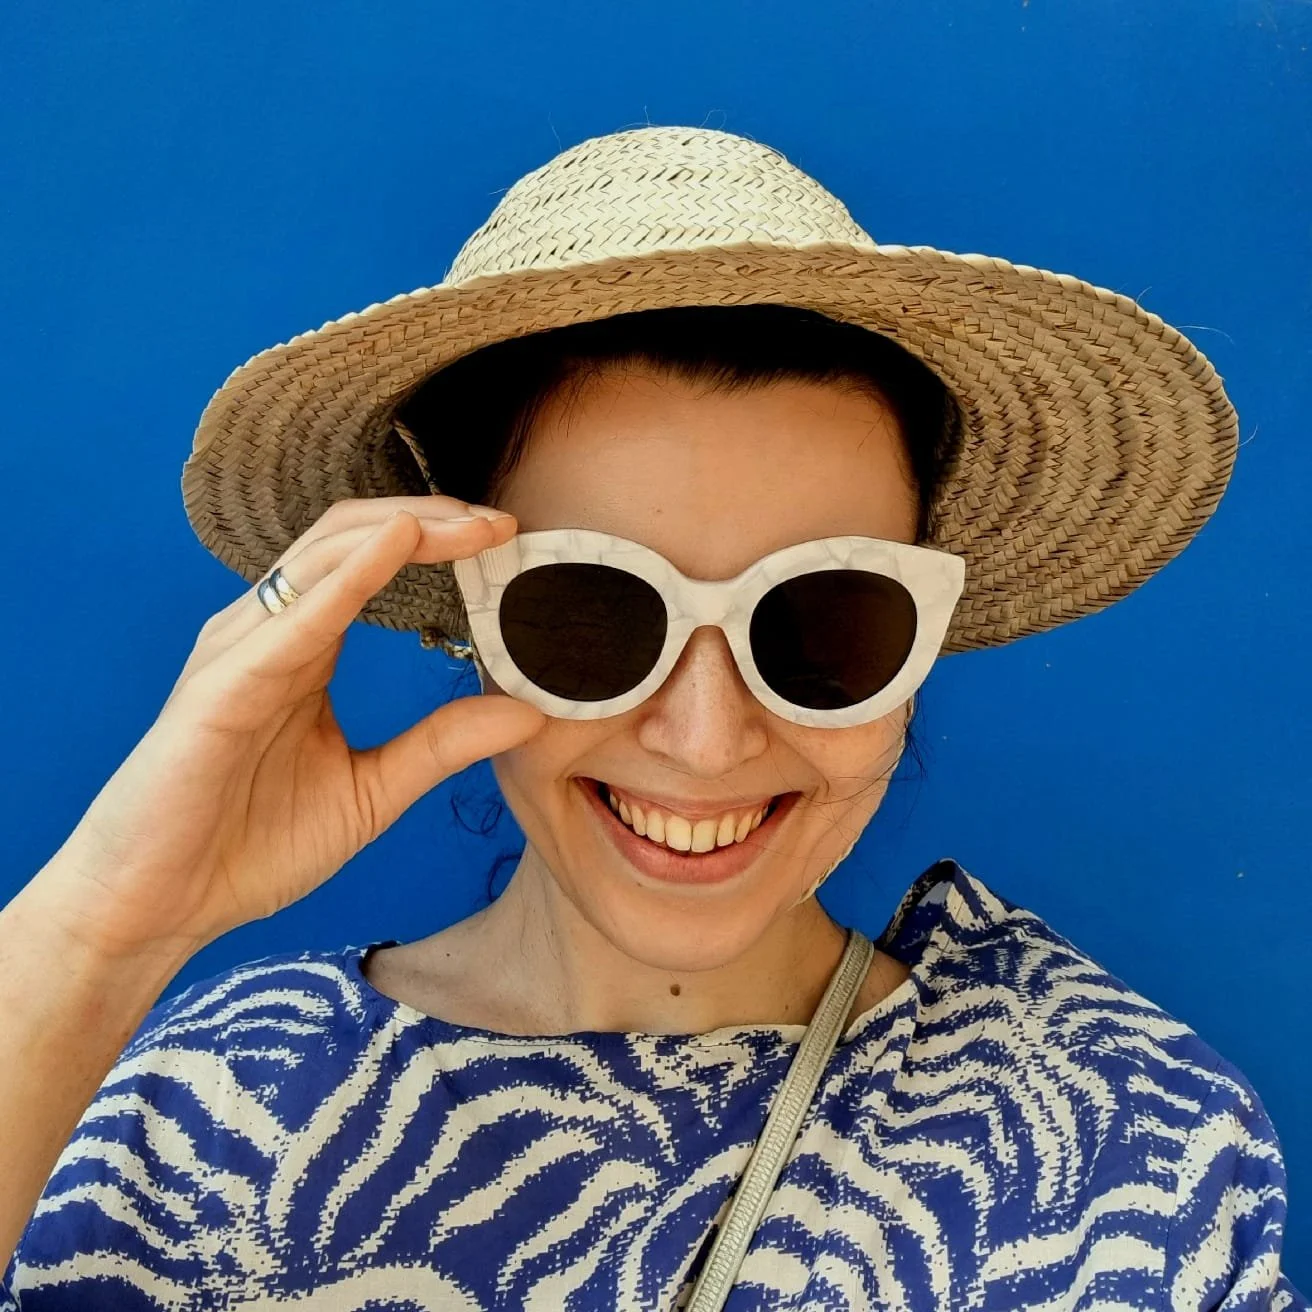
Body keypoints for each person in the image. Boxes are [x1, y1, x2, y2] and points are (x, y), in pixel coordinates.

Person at [0, 125, 1303, 1310]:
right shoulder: (197, 1110)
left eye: (825, 617)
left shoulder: (1130, 1151)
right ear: (472, 617)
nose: (705, 736)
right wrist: (99, 933)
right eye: (592, 611)